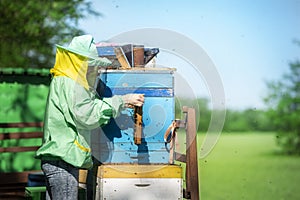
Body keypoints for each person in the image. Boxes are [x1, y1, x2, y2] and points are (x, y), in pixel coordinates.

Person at [36, 35, 144, 200]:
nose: (92, 69)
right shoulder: (72, 83)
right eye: (90, 64)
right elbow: (87, 115)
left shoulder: (63, 79)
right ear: (80, 61)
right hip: (63, 160)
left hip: (57, 159)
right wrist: (122, 100)